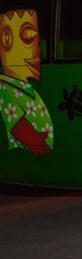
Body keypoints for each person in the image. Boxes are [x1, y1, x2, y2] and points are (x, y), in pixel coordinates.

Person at [0, 9, 52, 156]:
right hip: (26, 147)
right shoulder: (5, 87)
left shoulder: (24, 85)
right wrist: (35, 141)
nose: (37, 50)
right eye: (27, 37)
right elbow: (16, 122)